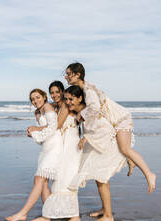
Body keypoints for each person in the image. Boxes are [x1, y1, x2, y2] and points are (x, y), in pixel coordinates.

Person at [64, 62, 156, 196]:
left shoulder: (87, 90)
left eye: (68, 74)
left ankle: (149, 174)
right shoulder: (84, 88)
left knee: (125, 148)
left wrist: (80, 116)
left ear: (78, 75)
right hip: (113, 120)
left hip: (120, 118)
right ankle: (129, 160)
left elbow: (94, 108)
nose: (66, 77)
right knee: (119, 147)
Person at [65, 85, 127, 221]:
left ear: (80, 98)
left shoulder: (89, 113)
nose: (68, 102)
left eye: (71, 99)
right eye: (66, 99)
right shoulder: (82, 113)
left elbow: (106, 129)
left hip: (104, 147)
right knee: (101, 180)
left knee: (101, 180)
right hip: (97, 147)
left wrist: (87, 138)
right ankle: (105, 209)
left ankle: (108, 216)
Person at [29, 81, 82, 221]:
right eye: (52, 92)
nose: (55, 95)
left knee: (68, 178)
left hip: (71, 141)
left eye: (57, 92)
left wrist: (36, 129)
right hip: (61, 143)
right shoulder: (54, 106)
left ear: (62, 92)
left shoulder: (65, 104)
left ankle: (75, 216)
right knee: (58, 180)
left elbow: (57, 125)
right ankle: (51, 213)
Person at [6, 88, 63, 221]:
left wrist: (35, 130)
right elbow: (43, 134)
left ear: (44, 97)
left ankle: (23, 213)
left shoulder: (48, 106)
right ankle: (48, 215)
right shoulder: (37, 112)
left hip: (55, 146)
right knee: (42, 182)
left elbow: (53, 126)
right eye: (32, 99)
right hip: (46, 147)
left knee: (39, 179)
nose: (35, 101)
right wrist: (33, 133)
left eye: (37, 97)